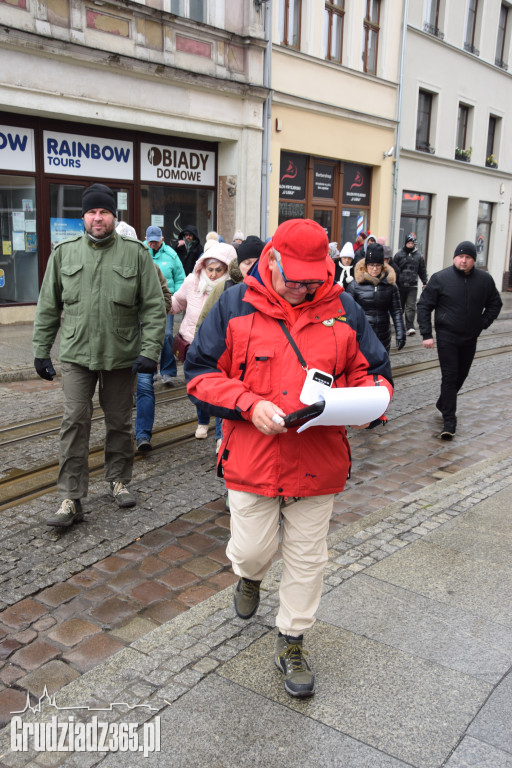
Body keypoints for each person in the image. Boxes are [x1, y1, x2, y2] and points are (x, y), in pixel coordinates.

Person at [185, 218, 393, 698]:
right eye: (294, 277)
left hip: (317, 460)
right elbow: (198, 372)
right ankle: (249, 575)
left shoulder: (344, 309)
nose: (303, 287)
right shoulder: (235, 304)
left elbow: (376, 375)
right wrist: (248, 404)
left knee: (307, 559)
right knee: (253, 549)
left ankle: (292, 640)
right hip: (251, 458)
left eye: (312, 278)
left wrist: (366, 403)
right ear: (272, 259)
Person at [33, 183, 165, 527]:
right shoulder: (64, 253)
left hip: (122, 357)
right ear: (83, 218)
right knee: (74, 422)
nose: (97, 218)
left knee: (119, 423)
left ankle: (118, 480)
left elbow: (153, 308)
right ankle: (71, 497)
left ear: (113, 216)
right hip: (77, 354)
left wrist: (150, 351)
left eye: (103, 212)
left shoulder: (136, 254)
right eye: (91, 212)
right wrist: (40, 351)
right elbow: (48, 306)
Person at [417, 240, 502, 440]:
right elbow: (424, 306)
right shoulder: (441, 278)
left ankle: (443, 402)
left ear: (474, 260)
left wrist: (482, 323)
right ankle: (449, 421)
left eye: (468, 258)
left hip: (470, 337)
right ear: (454, 257)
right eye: (460, 257)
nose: (463, 261)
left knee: (461, 375)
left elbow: (495, 303)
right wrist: (427, 334)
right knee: (450, 376)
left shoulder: (484, 280)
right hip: (447, 336)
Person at [196, 235, 265, 453]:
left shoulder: (275, 291)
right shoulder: (225, 287)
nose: (252, 268)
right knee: (225, 396)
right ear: (239, 265)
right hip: (227, 355)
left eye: (257, 262)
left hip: (257, 361)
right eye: (247, 263)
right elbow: (204, 320)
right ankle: (220, 437)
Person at [170, 242, 235, 439]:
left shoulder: (230, 287)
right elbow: (176, 303)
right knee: (200, 385)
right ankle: (202, 421)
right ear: (203, 267)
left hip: (221, 346)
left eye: (218, 270)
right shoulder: (192, 282)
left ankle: (221, 435)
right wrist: (158, 300)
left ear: (227, 269)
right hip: (194, 342)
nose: (213, 274)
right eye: (210, 269)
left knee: (221, 387)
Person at [144, 225, 185, 385]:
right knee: (149, 336)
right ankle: (151, 370)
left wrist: (176, 297)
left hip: (166, 301)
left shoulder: (171, 255)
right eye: (150, 242)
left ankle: (168, 372)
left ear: (162, 239)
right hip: (146, 302)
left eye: (155, 241)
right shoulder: (141, 251)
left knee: (167, 335)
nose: (152, 244)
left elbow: (180, 278)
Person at [347, 243, 405, 353]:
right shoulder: (355, 285)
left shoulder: (390, 285)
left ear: (382, 266)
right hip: (362, 334)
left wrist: (400, 332)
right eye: (371, 265)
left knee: (382, 366)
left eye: (378, 265)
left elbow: (396, 310)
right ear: (366, 266)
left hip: (383, 334)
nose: (374, 269)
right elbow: (348, 311)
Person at [394, 233, 428, 335]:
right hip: (400, 285)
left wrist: (425, 281)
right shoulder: (399, 255)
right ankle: (399, 326)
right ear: (405, 243)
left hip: (412, 286)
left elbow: (422, 270)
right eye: (409, 242)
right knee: (400, 307)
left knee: (411, 307)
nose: (410, 244)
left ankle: (410, 327)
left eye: (412, 243)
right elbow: (394, 269)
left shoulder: (419, 256)